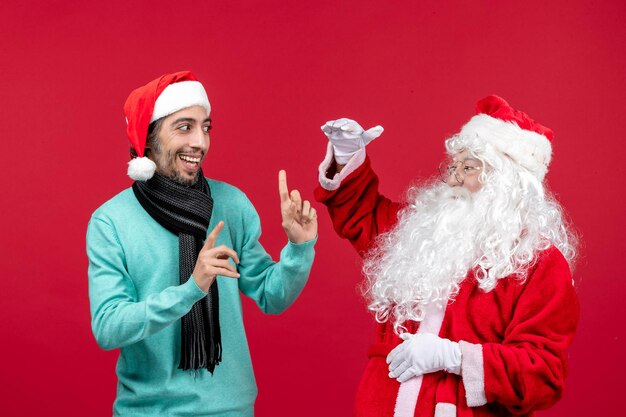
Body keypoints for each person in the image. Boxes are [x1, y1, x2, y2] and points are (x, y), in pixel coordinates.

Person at [314, 95, 579, 417]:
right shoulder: (420, 231)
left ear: (505, 181)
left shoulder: (538, 262)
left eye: (467, 168)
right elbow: (362, 215)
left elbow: (543, 372)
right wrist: (346, 155)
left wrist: (454, 356)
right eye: (453, 166)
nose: (452, 178)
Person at [87, 71, 317, 416]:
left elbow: (272, 297)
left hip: (231, 408)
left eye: (205, 127)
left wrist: (299, 249)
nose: (200, 142)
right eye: (184, 127)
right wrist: (191, 289)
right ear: (149, 139)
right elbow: (109, 327)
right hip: (148, 410)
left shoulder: (232, 204)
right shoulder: (111, 221)